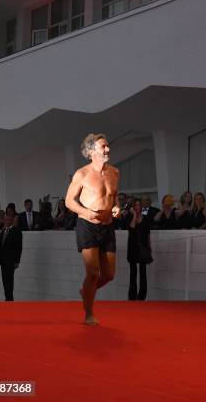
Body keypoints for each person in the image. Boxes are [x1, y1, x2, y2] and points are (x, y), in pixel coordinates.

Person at [65, 133, 121, 326]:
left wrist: (116, 207)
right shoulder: (82, 174)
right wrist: (86, 212)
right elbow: (68, 201)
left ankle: (86, 291)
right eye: (103, 146)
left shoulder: (114, 172)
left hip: (107, 226)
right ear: (91, 152)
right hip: (87, 226)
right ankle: (89, 314)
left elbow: (114, 196)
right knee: (94, 273)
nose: (107, 149)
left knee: (109, 275)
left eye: (107, 146)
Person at [127, 199, 152, 301]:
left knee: (143, 272)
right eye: (135, 205)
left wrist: (149, 247)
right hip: (133, 247)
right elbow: (132, 228)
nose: (137, 207)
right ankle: (132, 296)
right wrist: (133, 216)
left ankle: (142, 296)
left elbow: (148, 234)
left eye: (139, 205)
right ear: (133, 207)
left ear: (141, 207)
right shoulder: (129, 217)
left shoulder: (145, 218)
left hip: (143, 246)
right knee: (133, 272)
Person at [0, 213, 22, 301]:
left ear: (12, 221)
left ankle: (10, 299)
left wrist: (17, 261)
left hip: (11, 260)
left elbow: (19, 247)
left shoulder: (17, 231)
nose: (7, 221)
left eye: (9, 220)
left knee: (9, 280)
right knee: (4, 280)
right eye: (5, 220)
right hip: (3, 261)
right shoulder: (2, 231)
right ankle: (7, 298)